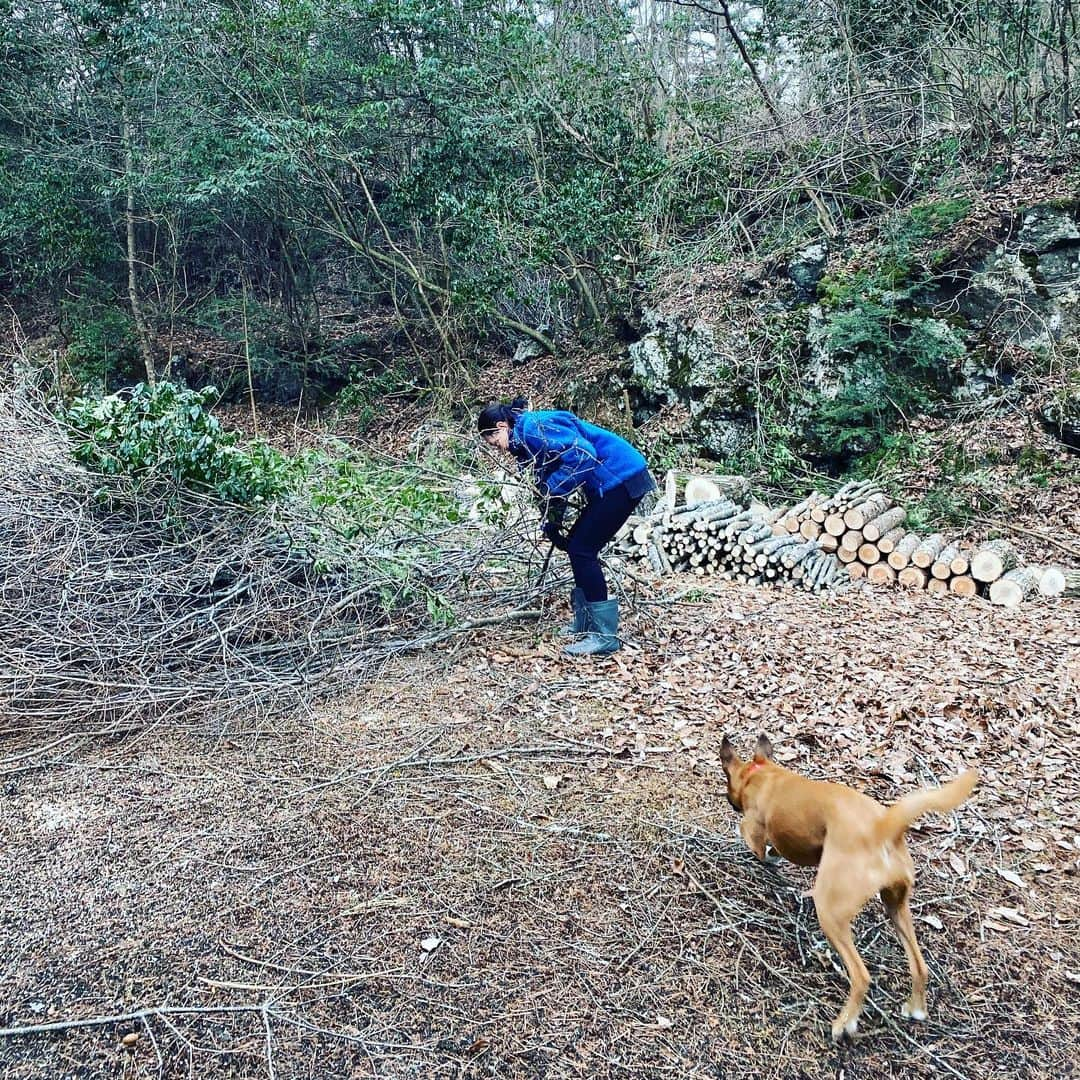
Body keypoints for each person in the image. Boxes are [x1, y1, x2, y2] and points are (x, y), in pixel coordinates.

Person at [477, 397, 655, 656]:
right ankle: (584, 623)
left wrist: (551, 491)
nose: (498, 449)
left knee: (583, 550)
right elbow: (548, 481)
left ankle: (605, 637)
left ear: (502, 426)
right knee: (577, 547)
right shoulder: (525, 442)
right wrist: (552, 521)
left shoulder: (534, 428)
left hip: (622, 477)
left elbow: (583, 458)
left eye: (494, 442)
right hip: (610, 481)